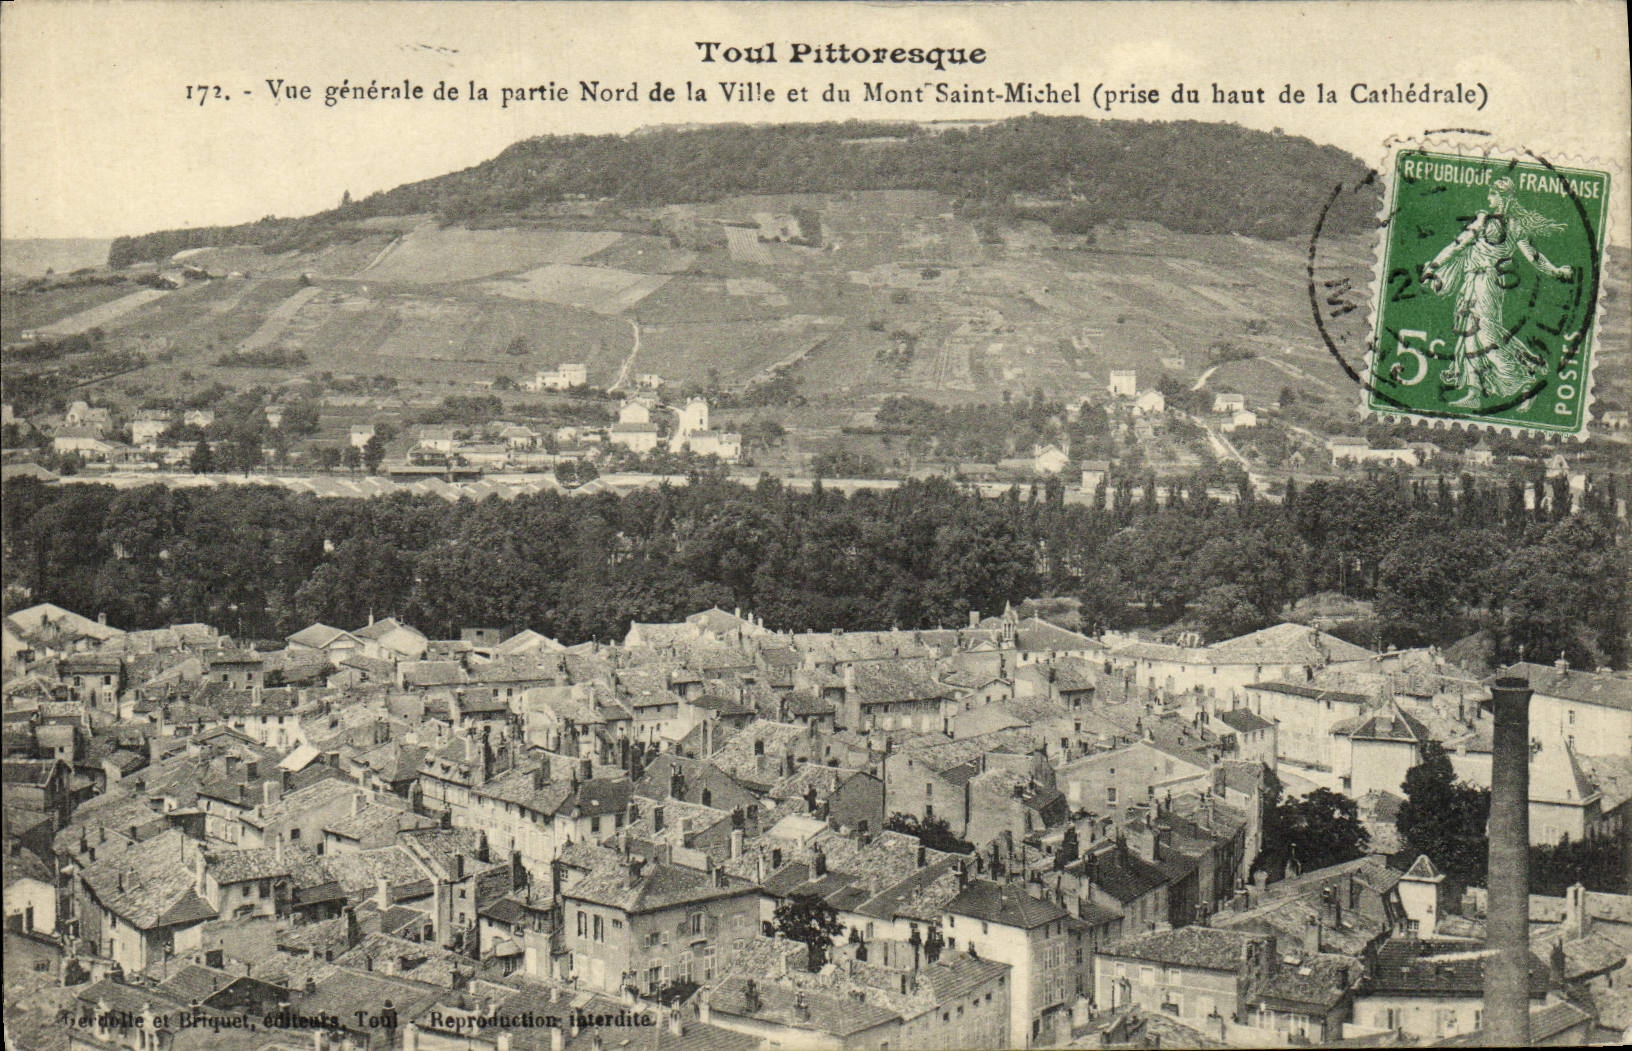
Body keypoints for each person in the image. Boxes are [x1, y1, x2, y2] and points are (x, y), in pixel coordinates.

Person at [1420, 176, 1573, 407]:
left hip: (1484, 283)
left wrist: (1433, 266)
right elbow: (1534, 257)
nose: (1488, 198)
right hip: (1478, 283)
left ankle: (1523, 383)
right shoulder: (1515, 225)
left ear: (1501, 197)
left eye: (1492, 194)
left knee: (1485, 336)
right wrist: (1557, 272)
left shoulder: (1485, 221)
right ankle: (1474, 393)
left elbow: (1457, 245)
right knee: (1469, 336)